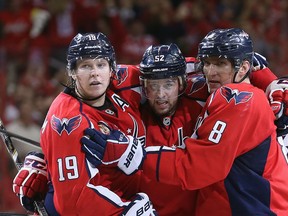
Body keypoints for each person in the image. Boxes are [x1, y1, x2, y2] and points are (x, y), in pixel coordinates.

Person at [84, 28, 288, 215]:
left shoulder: (237, 97)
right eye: (207, 63)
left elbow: (196, 167)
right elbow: (167, 67)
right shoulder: (212, 89)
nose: (210, 72)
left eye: (220, 63)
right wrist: (267, 77)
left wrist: (131, 154)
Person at [12, 32, 155, 216]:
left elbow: (166, 69)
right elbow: (74, 202)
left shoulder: (121, 83)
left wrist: (203, 67)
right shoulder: (67, 121)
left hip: (133, 190)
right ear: (72, 72)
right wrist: (123, 212)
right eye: (85, 66)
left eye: (101, 64)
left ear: (112, 68)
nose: (95, 72)